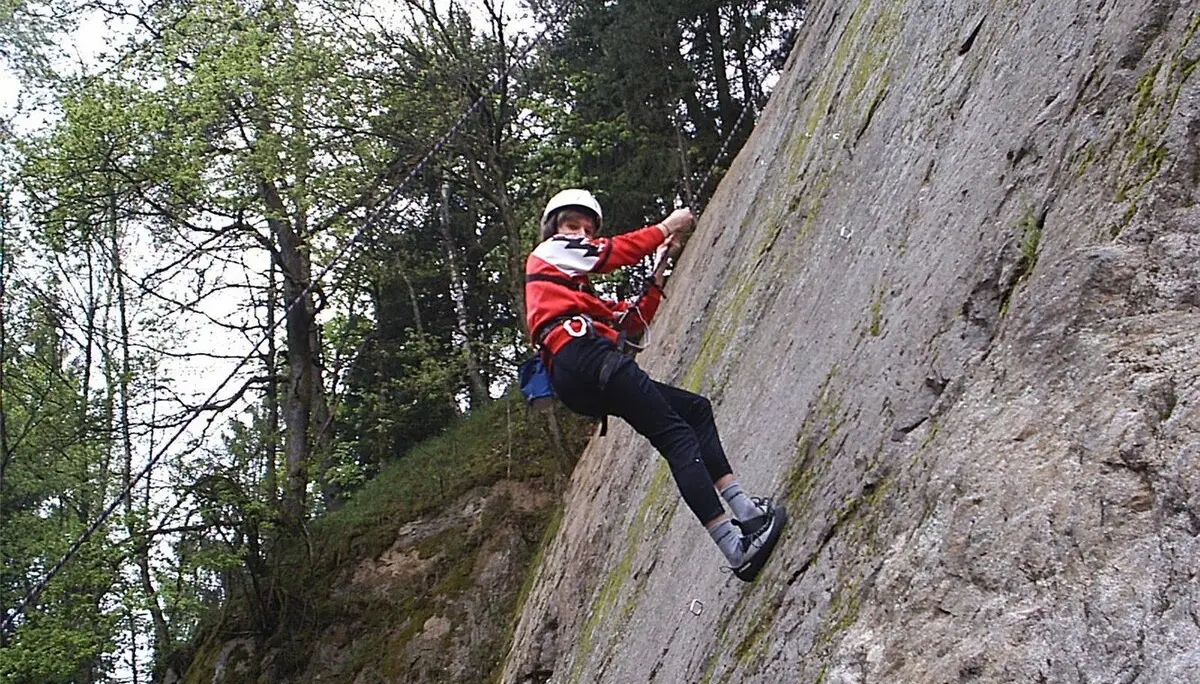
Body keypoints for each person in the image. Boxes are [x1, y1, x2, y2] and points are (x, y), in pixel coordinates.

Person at [524, 188, 787, 581]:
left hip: (580, 371)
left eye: (586, 228)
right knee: (677, 438)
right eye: (571, 225)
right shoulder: (546, 254)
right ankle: (735, 547)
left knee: (695, 411)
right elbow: (609, 254)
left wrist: (662, 260)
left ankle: (747, 512)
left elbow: (631, 319)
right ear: (555, 230)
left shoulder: (574, 296)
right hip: (583, 357)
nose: (579, 233)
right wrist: (667, 225)